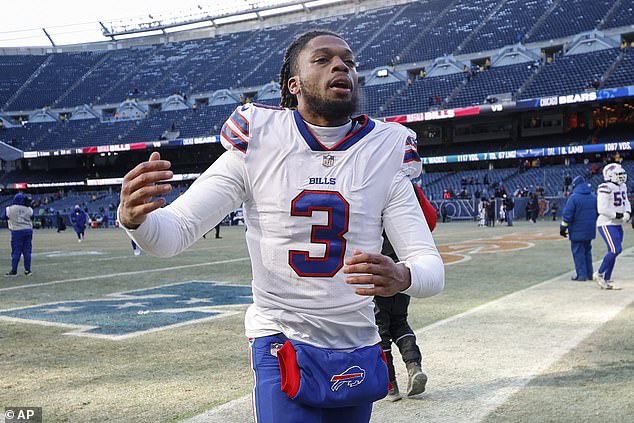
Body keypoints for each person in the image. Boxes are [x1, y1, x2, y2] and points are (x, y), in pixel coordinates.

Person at [117, 30, 444, 423]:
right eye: (322, 59)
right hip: (281, 336)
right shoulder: (259, 137)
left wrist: (402, 276)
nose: (341, 65)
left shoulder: (387, 148)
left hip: (356, 343)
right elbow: (175, 232)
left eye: (349, 61)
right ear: (294, 84)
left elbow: (430, 266)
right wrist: (135, 219)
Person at [375, 183, 437, 402]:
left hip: (378, 265)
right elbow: (431, 220)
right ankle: (413, 366)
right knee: (399, 321)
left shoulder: (374, 179)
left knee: (379, 328)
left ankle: (390, 385)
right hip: (404, 267)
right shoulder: (410, 187)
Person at [594, 163, 631, 289]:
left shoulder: (623, 186)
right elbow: (602, 209)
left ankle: (607, 279)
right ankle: (599, 274)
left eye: (622, 174)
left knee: (614, 251)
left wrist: (627, 212)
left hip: (617, 224)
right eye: (618, 174)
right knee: (616, 249)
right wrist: (619, 215)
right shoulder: (605, 187)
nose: (621, 177)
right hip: (606, 223)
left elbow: (626, 202)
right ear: (610, 175)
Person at [560, 176, 598, 281]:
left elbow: (567, 215)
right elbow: (597, 213)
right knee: (587, 252)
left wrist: (563, 228)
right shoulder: (593, 196)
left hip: (577, 231)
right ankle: (589, 274)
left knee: (578, 253)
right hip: (589, 230)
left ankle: (581, 275)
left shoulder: (574, 197)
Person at [4, 193, 33, 276]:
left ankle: (14, 270)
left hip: (16, 231)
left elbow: (3, 217)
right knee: (27, 251)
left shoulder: (9, 209)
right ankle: (28, 270)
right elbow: (32, 217)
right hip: (28, 230)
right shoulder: (29, 209)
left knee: (16, 251)